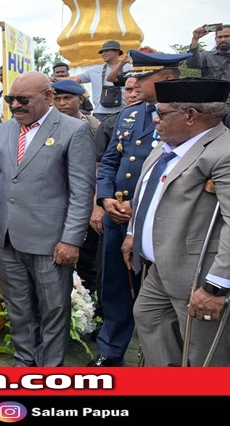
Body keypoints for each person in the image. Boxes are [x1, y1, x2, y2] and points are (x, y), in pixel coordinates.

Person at [0, 71, 96, 367]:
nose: (16, 106)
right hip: (8, 239)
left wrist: (70, 239)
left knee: (53, 310)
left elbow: (82, 191)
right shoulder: (3, 131)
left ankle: (50, 369)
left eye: (23, 100)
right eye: (10, 100)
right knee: (18, 308)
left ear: (48, 97)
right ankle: (24, 362)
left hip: (51, 242)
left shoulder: (73, 130)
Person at [90, 50, 191, 367]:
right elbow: (108, 164)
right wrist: (105, 199)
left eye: (145, 76)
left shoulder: (190, 116)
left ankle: (166, 361)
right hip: (119, 218)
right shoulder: (128, 116)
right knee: (115, 287)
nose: (136, 82)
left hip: (161, 224)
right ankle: (111, 349)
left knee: (163, 298)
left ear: (168, 79)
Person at [123, 78, 230, 366]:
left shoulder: (223, 152)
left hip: (197, 276)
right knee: (148, 318)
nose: (155, 119)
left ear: (191, 116)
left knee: (204, 355)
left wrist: (216, 287)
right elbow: (148, 192)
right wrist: (134, 232)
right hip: (160, 269)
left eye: (162, 112)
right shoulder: (168, 145)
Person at [52, 80, 102, 306]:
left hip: (84, 200)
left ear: (79, 99)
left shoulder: (94, 126)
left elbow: (99, 167)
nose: (62, 103)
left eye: (68, 98)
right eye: (58, 98)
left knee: (87, 261)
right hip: (55, 200)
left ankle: (91, 312)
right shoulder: (48, 125)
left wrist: (94, 205)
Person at [70, 40, 132, 121]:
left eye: (106, 51)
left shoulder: (129, 68)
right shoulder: (95, 70)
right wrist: (54, 79)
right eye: (102, 52)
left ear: (116, 51)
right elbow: (75, 79)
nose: (103, 54)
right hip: (100, 113)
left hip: (122, 111)